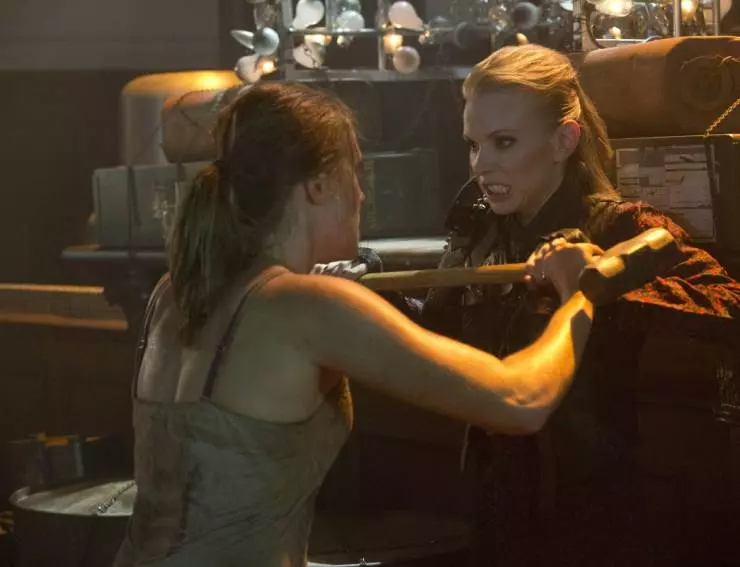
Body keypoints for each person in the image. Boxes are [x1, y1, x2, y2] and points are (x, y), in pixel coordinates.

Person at [113, 82, 602, 567]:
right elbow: (519, 401)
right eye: (357, 171)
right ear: (319, 185)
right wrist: (579, 293)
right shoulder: (310, 306)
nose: (363, 194)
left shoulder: (172, 291)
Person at [420, 44, 740, 567]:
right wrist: (355, 294)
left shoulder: (620, 225)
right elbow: (435, 330)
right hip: (492, 501)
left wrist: (599, 282)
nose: (481, 165)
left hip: (592, 509)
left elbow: (729, 302)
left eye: (504, 142)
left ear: (563, 140)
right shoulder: (479, 232)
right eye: (474, 145)